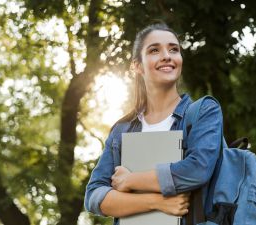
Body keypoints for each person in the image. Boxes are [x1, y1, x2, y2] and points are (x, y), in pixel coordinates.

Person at [84, 23, 225, 225]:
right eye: (154, 50)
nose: (167, 55)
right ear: (137, 66)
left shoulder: (203, 112)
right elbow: (94, 196)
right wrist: (156, 202)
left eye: (174, 49)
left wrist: (130, 180)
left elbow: (198, 170)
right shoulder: (121, 130)